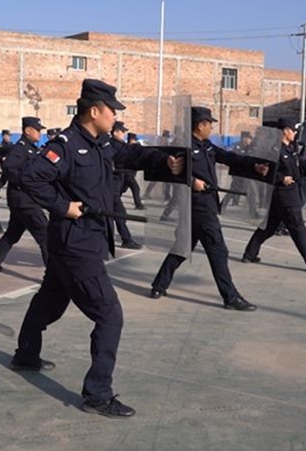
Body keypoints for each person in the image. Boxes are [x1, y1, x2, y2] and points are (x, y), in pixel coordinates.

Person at [11, 79, 185, 418]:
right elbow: (30, 178)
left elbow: (132, 153)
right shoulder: (65, 145)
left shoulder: (102, 142)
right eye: (111, 111)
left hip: (81, 241)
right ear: (94, 111)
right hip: (76, 243)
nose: (115, 116)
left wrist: (166, 160)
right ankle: (97, 394)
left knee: (49, 302)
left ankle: (26, 354)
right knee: (109, 314)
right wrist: (63, 206)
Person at [149, 107, 266, 310]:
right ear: (200, 125)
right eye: (209, 124)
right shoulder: (183, 146)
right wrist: (192, 180)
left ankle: (159, 285)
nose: (211, 128)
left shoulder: (207, 146)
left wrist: (253, 165)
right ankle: (230, 297)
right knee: (218, 251)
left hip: (207, 203)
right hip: (198, 205)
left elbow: (229, 157)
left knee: (182, 248)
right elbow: (171, 170)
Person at [241, 118, 306, 273]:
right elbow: (266, 170)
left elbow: (302, 163)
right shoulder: (274, 149)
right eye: (293, 130)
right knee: (299, 230)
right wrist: (281, 178)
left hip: (287, 194)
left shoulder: (290, 149)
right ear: (285, 131)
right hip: (285, 195)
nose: (295, 133)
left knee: (268, 228)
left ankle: (249, 254)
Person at [0, 117, 49, 273]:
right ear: (28, 131)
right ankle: (54, 274)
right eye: (37, 130)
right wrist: (26, 182)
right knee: (46, 236)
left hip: (23, 200)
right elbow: (9, 168)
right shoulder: (20, 149)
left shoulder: (32, 148)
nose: (40, 133)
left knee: (12, 234)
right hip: (24, 201)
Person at [109, 121, 142, 249]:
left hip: (116, 185)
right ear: (115, 132)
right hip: (111, 186)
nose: (124, 134)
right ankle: (126, 239)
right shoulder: (113, 145)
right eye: (122, 131)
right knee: (119, 213)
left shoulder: (120, 145)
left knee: (114, 214)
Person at [120, 132, 145, 209]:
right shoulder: (127, 148)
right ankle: (138, 205)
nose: (135, 141)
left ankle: (113, 200)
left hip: (128, 173)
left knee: (121, 190)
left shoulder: (131, 147)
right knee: (135, 188)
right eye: (134, 140)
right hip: (127, 173)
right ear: (131, 140)